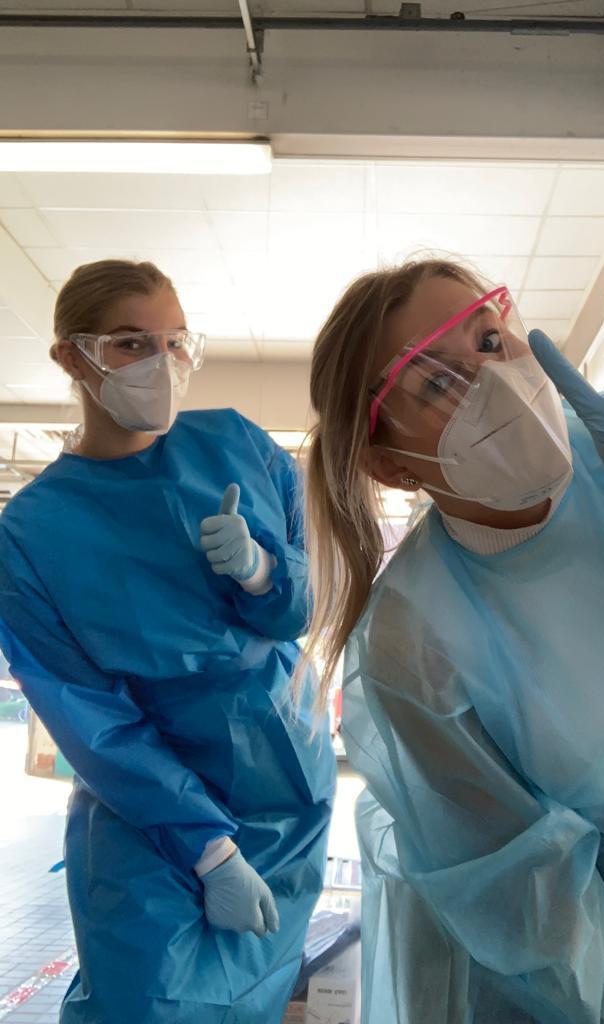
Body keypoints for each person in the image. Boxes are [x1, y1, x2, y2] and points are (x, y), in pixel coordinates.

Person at [298, 257, 604, 1023]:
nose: (491, 382)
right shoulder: (412, 638)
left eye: (490, 340)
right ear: (390, 463)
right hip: (528, 961)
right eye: (436, 383)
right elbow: (523, 896)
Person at [0, 260, 335, 1023]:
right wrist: (208, 848)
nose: (161, 363)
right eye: (129, 343)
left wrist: (259, 573)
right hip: (149, 809)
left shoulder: (240, 446)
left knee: (257, 993)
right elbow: (87, 714)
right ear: (70, 356)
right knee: (144, 1001)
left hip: (286, 786)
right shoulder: (30, 534)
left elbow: (301, 605)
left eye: (174, 341)